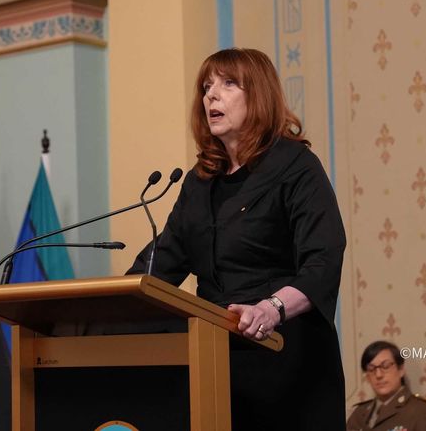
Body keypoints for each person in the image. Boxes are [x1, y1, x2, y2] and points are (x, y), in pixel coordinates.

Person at [127, 48, 346, 430]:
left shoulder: (295, 166)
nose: (211, 95)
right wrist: (114, 303)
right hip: (215, 363)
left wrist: (270, 309)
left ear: (258, 94)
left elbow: (324, 260)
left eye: (228, 84)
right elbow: (160, 264)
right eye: (206, 87)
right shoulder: (199, 182)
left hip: (284, 360)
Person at [347, 341, 426, 431]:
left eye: (385, 366)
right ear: (367, 377)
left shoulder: (422, 411)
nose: (378, 375)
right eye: (372, 369)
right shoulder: (358, 414)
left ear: (401, 370)